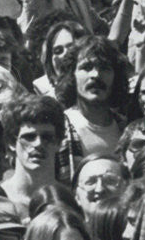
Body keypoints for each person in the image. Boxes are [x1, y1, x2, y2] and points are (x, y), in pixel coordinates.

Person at [55, 36, 129, 182]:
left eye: (104, 68)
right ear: (72, 75)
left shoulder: (125, 129)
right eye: (86, 67)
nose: (95, 75)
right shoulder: (59, 128)